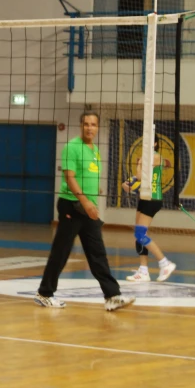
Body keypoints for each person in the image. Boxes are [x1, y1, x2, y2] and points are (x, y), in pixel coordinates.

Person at [35, 112, 135, 312]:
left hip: (87, 207)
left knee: (97, 253)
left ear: (98, 127)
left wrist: (94, 192)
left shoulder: (95, 150)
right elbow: (70, 179)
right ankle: (45, 293)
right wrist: (86, 202)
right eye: (87, 124)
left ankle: (112, 296)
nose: (90, 128)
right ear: (81, 125)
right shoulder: (72, 147)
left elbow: (86, 175)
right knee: (61, 252)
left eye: (94, 125)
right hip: (72, 206)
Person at [123, 135, 176, 283]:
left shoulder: (155, 157)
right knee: (138, 233)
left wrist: (139, 163)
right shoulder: (146, 158)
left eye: (149, 140)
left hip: (152, 199)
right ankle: (144, 270)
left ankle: (165, 263)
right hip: (144, 198)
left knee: (140, 234)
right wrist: (127, 183)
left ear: (155, 143)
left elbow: (140, 175)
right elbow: (137, 178)